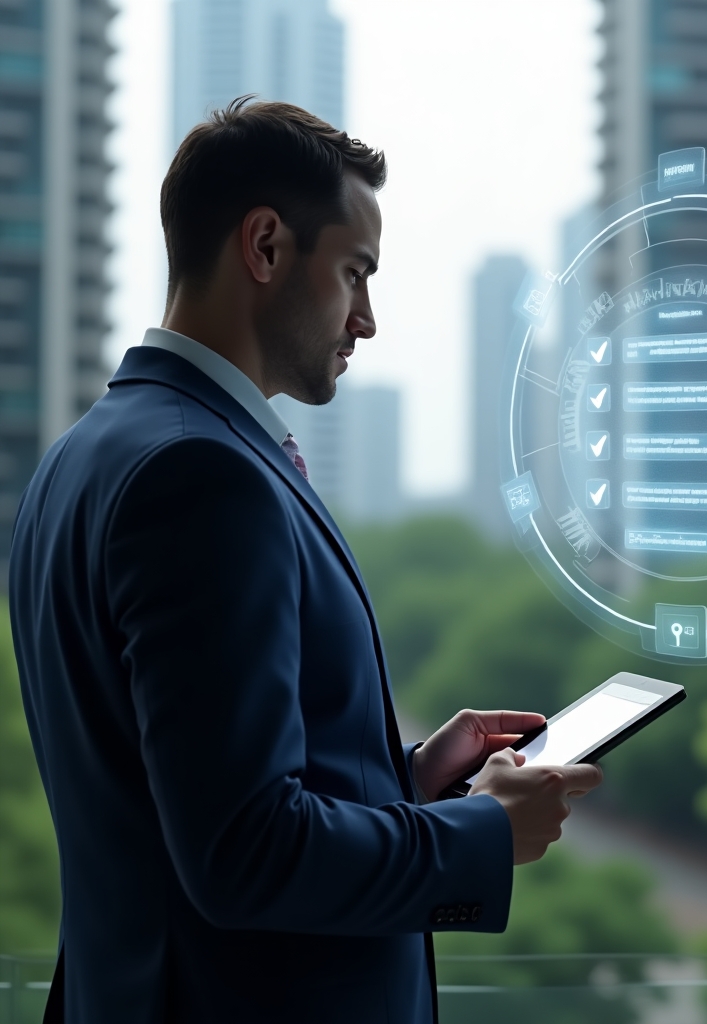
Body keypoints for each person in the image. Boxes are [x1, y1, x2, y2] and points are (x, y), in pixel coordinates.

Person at [8, 98, 602, 1024]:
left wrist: (404, 778)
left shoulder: (82, 457)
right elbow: (242, 854)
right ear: (267, 246)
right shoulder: (202, 476)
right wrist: (481, 833)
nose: (366, 317)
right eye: (356, 272)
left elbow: (181, 797)